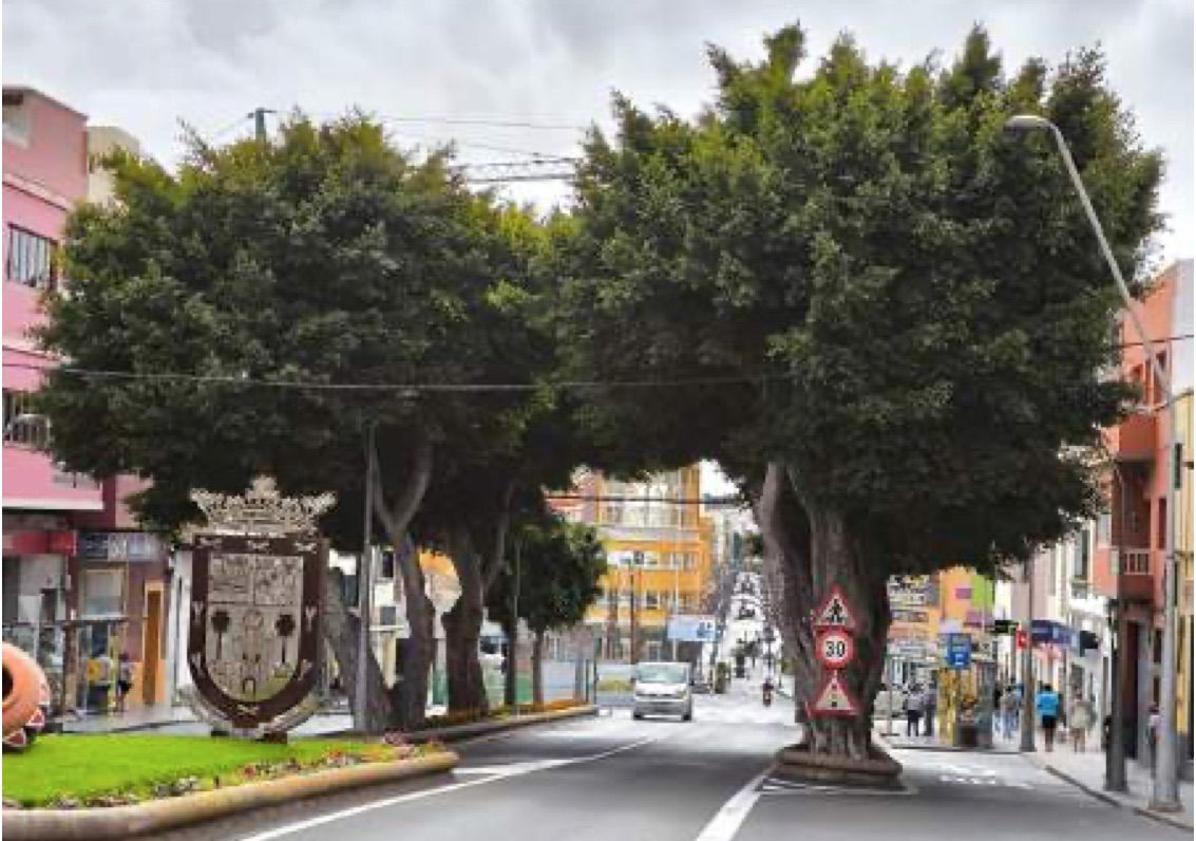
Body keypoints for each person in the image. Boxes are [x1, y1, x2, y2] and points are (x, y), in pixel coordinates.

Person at [1036, 683, 1061, 751]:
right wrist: (1058, 715)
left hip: (1044, 715)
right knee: (1052, 730)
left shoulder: (1041, 696)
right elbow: (1057, 705)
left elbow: (1038, 705)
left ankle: (1046, 746)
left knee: (1046, 731)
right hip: (1052, 714)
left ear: (1044, 688)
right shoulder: (1054, 696)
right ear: (1050, 689)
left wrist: (1040, 711)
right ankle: (1051, 745)